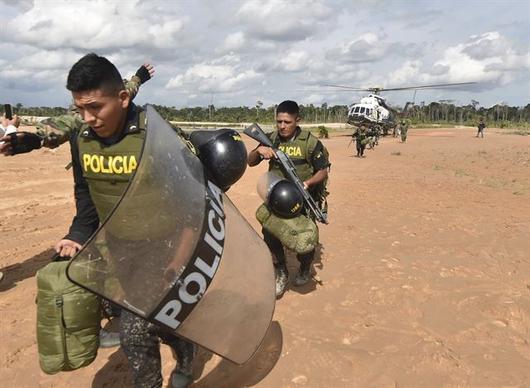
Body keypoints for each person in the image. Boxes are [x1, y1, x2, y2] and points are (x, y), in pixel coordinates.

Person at [55, 53, 194, 388]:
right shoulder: (81, 139)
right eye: (79, 110)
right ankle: (184, 344)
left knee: (133, 331)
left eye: (95, 107)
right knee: (138, 315)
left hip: (163, 245)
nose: (87, 118)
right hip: (117, 245)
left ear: (123, 97)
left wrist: (179, 259)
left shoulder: (156, 136)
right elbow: (85, 193)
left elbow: (192, 199)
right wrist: (77, 234)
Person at [247, 100, 329, 298]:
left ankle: (304, 267)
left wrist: (307, 184)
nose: (282, 126)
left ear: (297, 120)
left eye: (287, 122)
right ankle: (281, 270)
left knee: (304, 239)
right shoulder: (271, 138)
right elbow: (250, 162)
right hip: (274, 197)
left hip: (301, 199)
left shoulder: (309, 142)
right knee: (270, 234)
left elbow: (323, 171)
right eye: (279, 121)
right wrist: (259, 151)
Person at [0, 63, 154, 155]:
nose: (89, 117)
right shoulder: (81, 115)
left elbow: (129, 90)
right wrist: (37, 139)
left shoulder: (116, 97)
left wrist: (137, 79)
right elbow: (67, 123)